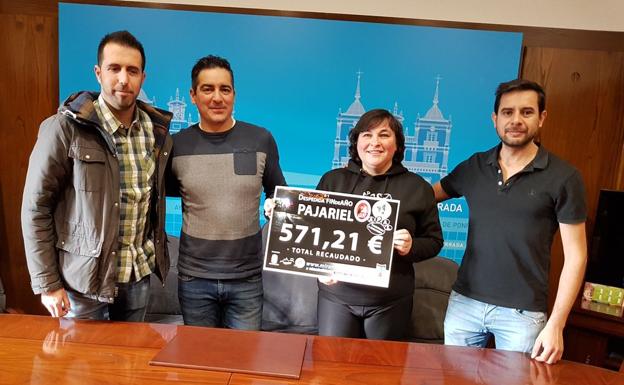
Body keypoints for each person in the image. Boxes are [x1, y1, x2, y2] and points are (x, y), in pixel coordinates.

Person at [21, 31, 173, 321]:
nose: (123, 80)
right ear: (98, 72)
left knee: (129, 364)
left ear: (143, 77)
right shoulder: (64, 128)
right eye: (114, 68)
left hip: (137, 277)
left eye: (132, 70)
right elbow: (35, 208)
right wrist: (48, 285)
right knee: (81, 366)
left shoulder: (157, 134)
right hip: (83, 285)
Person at [434, 79, 587, 364]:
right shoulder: (475, 166)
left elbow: (576, 257)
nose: (516, 120)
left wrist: (557, 324)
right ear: (495, 119)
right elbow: (425, 198)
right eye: (507, 112)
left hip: (523, 315)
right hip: (464, 305)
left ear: (541, 118)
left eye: (526, 112)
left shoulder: (565, 178)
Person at [167, 55, 286, 330]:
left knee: (243, 362)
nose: (217, 97)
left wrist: (274, 206)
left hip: (246, 279)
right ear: (193, 95)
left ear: (234, 94)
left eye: (225, 89)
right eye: (208, 89)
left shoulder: (261, 139)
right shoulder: (176, 145)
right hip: (194, 279)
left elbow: (278, 194)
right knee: (200, 363)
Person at [314, 108, 443, 340]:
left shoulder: (417, 187)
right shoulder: (332, 181)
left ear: (397, 145)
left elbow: (434, 241)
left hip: (390, 302)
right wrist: (280, 211)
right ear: (356, 143)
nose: (375, 142)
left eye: (384, 135)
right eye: (367, 135)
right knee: (330, 369)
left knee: (383, 374)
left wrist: (411, 246)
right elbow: (313, 233)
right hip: (336, 297)